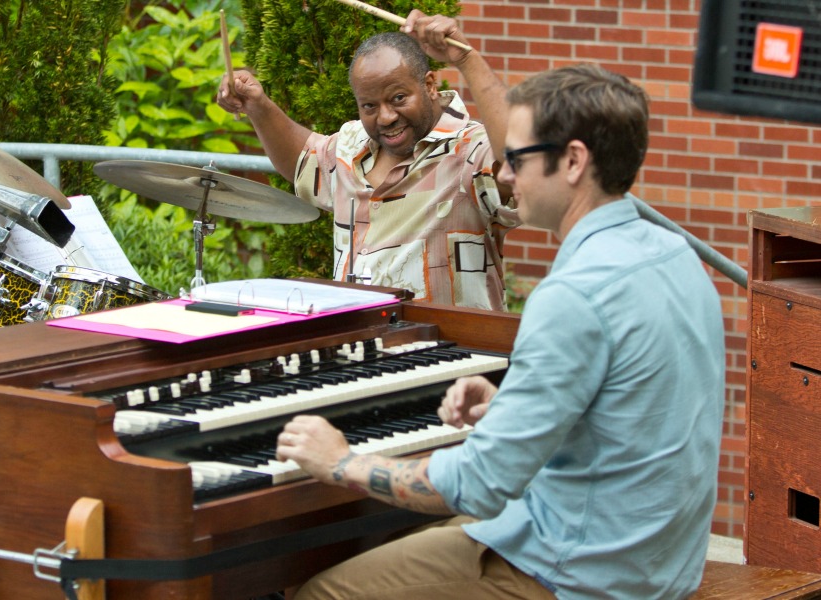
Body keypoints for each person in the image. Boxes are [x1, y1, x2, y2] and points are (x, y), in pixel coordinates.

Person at [274, 63, 726, 599]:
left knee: (321, 591)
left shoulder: (574, 293)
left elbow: (477, 485)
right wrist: (511, 404)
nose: (505, 176)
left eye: (517, 158)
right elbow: (630, 405)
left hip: (582, 573)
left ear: (574, 161)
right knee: (404, 539)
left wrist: (342, 461)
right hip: (659, 557)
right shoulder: (674, 255)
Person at [217, 12, 517, 310]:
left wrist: (467, 59)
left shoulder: (470, 151)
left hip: (456, 352)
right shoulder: (351, 143)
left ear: (429, 85)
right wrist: (258, 106)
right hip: (364, 348)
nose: (386, 117)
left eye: (399, 98)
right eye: (370, 105)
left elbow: (519, 161)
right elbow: (303, 162)